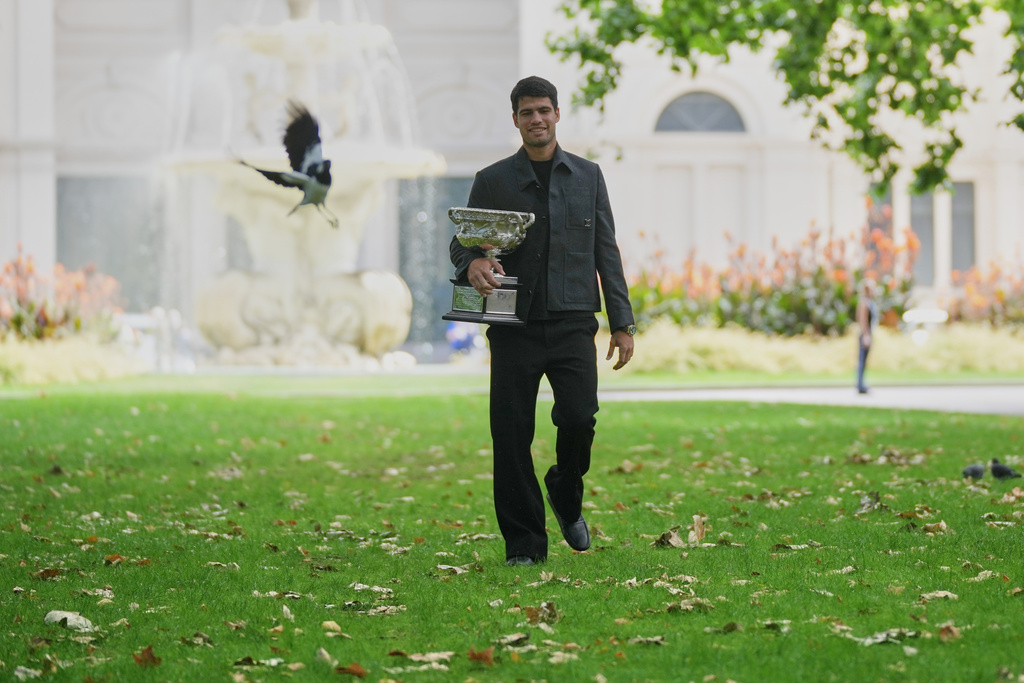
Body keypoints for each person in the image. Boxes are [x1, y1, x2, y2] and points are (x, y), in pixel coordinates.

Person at [449, 76, 636, 566]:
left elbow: (606, 251)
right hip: (513, 325)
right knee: (510, 435)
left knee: (579, 419)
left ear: (557, 115)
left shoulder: (589, 176)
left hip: (575, 321)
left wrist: (622, 321)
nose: (537, 119)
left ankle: (565, 491)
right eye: (527, 112)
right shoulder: (492, 179)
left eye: (544, 111)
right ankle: (525, 546)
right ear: (515, 119)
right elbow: (461, 241)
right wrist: (472, 262)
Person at [855, 278, 878, 394]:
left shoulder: (869, 302)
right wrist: (866, 335)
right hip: (865, 334)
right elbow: (862, 319)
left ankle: (861, 383)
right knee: (861, 360)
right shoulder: (864, 303)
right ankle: (859, 384)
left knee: (864, 361)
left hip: (868, 333)